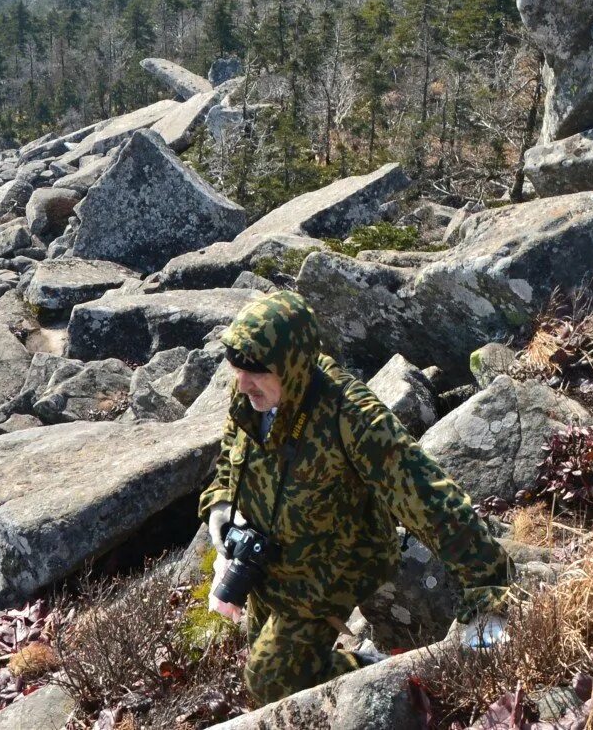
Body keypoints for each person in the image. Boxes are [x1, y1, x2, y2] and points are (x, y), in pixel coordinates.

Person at [199, 290, 513, 707]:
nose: (241, 383)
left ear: (291, 364)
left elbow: (426, 494)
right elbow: (229, 461)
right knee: (271, 668)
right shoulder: (253, 393)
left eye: (255, 372)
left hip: (332, 569)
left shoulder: (350, 414)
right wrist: (221, 509)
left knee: (270, 682)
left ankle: (375, 673)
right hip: (269, 567)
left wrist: (488, 588)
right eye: (237, 370)